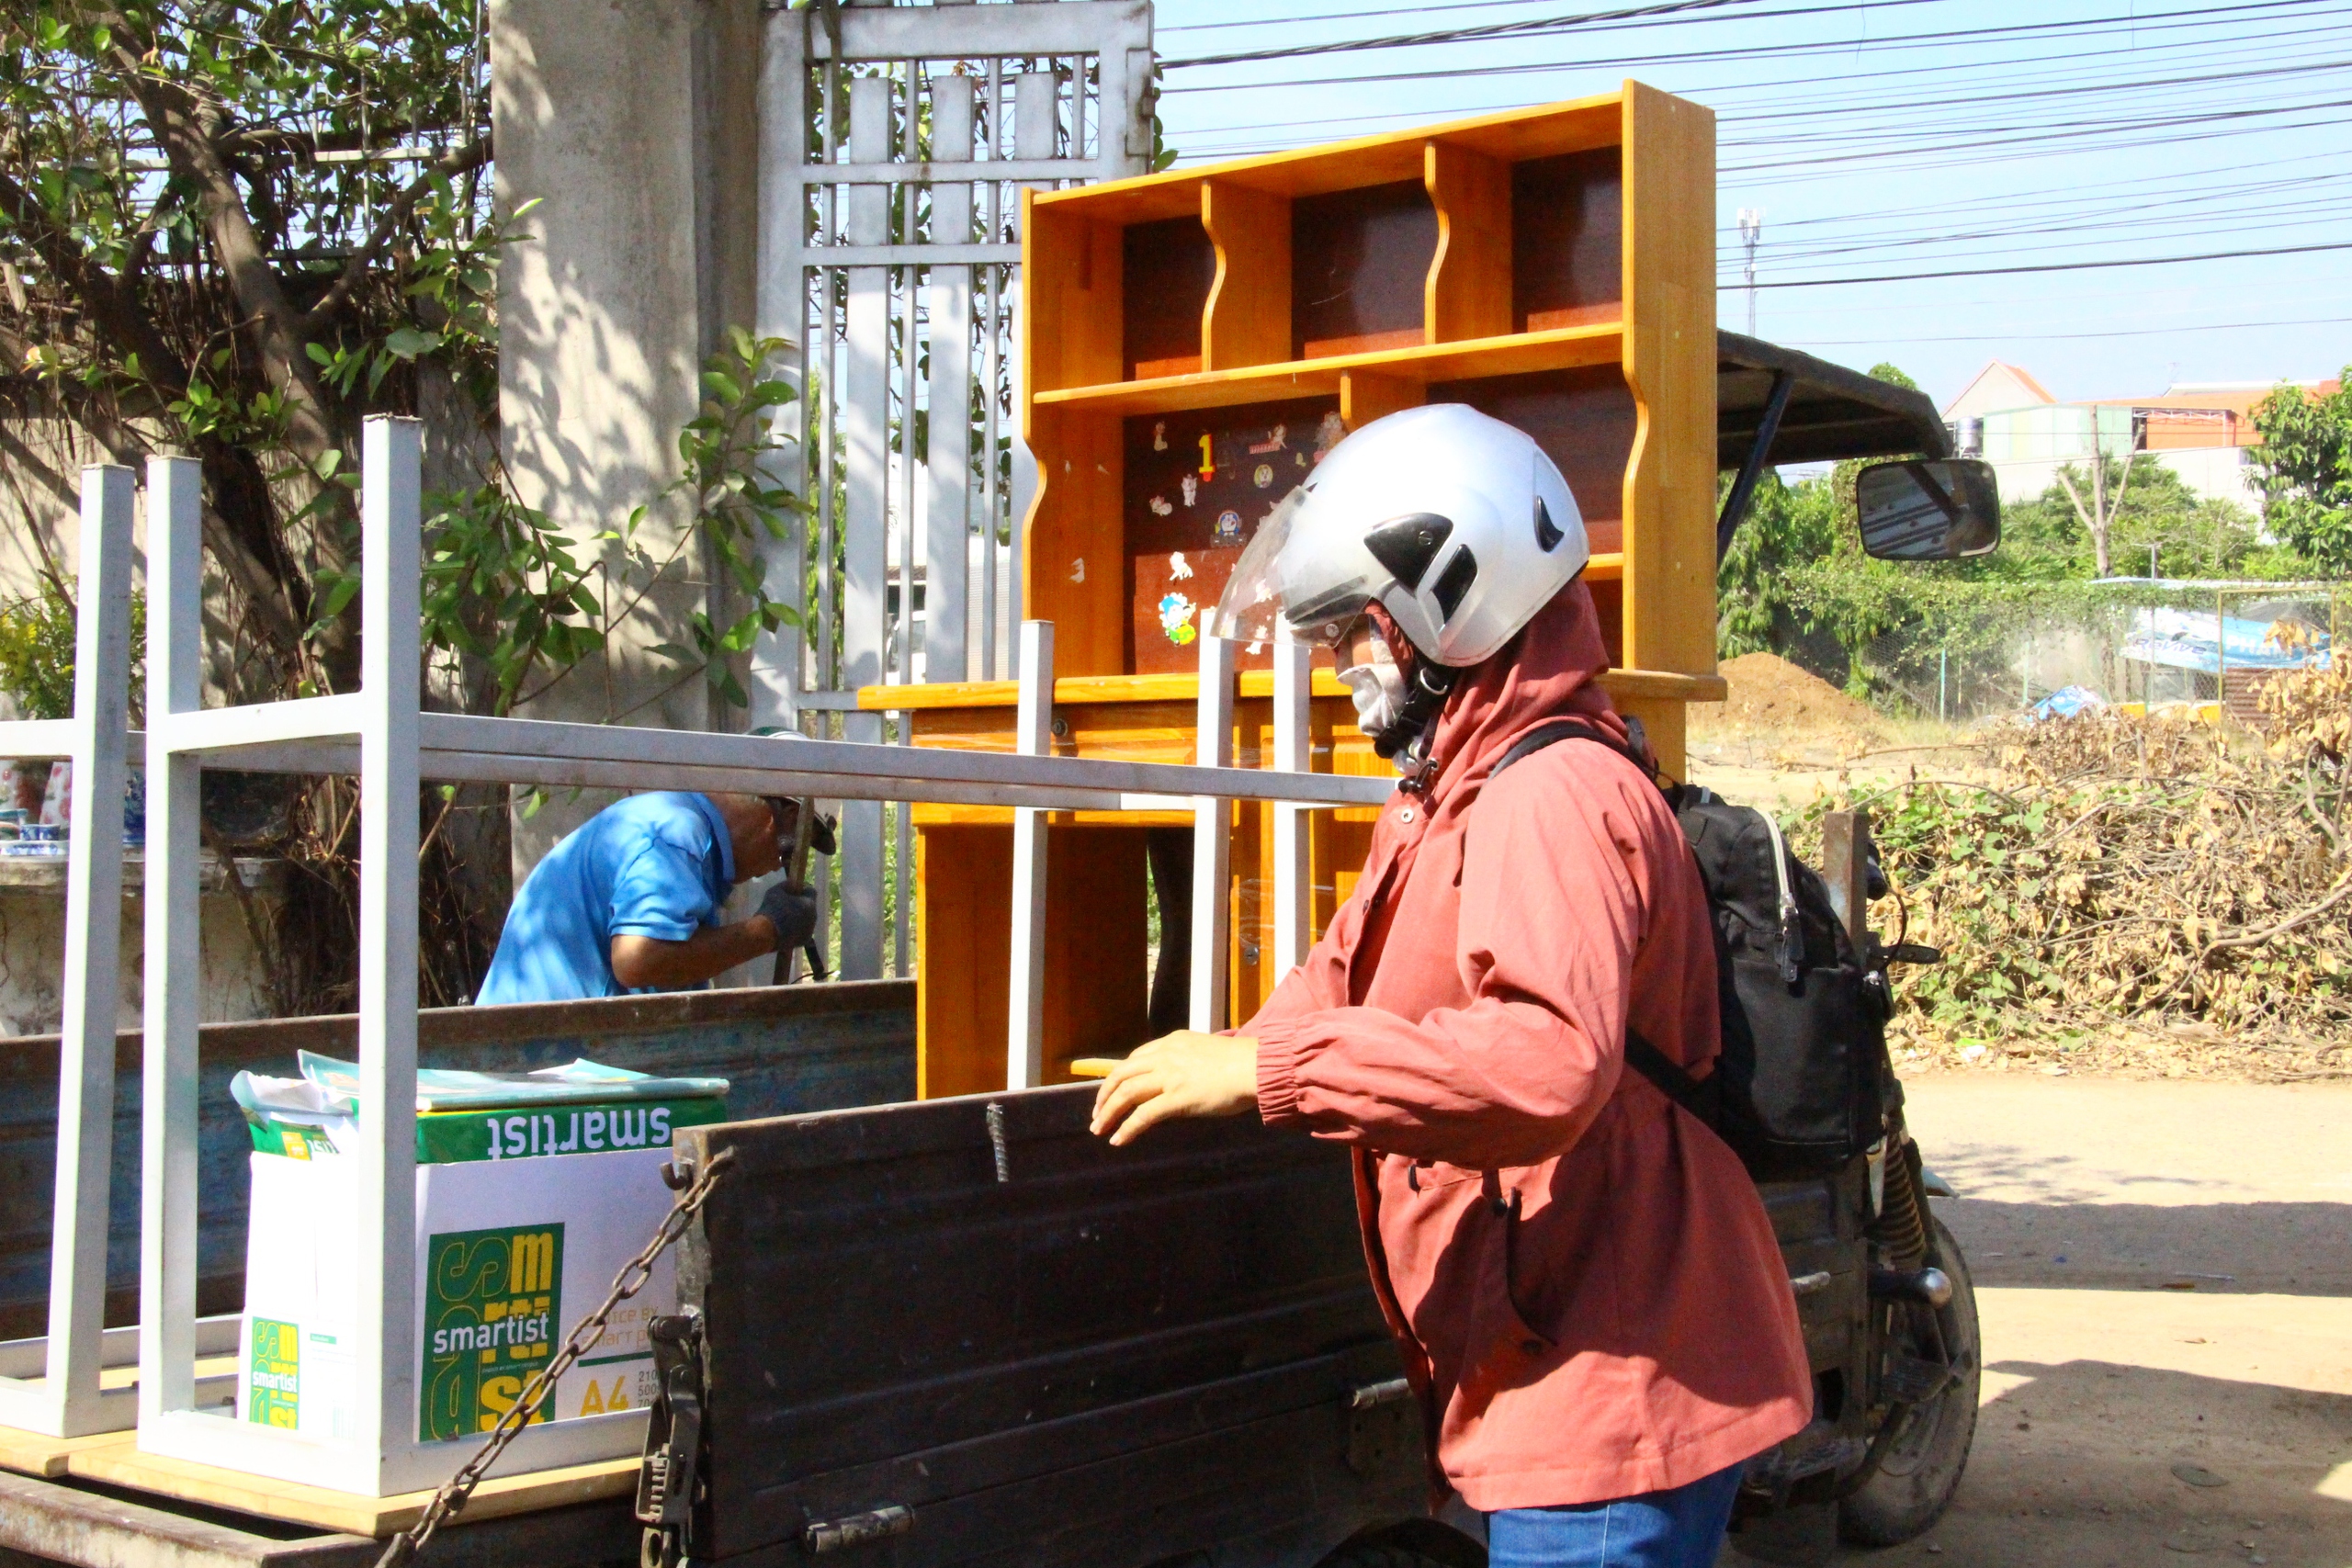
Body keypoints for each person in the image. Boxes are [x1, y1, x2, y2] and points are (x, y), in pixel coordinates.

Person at [1088, 405, 1812, 1568]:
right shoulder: (1443, 797)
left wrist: (1272, 1070)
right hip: (1538, 1364)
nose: (1337, 664)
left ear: (1446, 609)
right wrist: (1218, 1056)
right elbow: (1342, 978)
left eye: (1351, 633)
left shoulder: (1551, 796)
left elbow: (1545, 1064)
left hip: (1611, 1384)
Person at [476, 791, 824, 1005]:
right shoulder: (676, 835)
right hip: (542, 1074)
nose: (778, 865)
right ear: (785, 818)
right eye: (793, 847)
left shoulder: (672, 821)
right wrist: (768, 931)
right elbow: (638, 960)